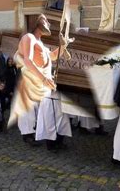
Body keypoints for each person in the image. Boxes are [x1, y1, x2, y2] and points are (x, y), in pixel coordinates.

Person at [8, 14, 72, 151]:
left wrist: (63, 46)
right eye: (45, 19)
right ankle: (32, 136)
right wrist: (43, 78)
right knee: (31, 113)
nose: (48, 23)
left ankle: (53, 139)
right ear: (35, 22)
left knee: (52, 112)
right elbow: (27, 60)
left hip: (43, 85)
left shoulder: (41, 43)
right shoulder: (28, 38)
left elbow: (53, 56)